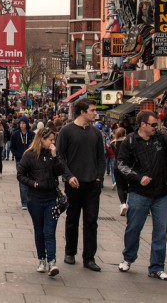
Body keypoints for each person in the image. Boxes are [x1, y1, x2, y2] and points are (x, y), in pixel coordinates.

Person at [116, 110, 167, 281]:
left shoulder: (163, 139)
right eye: (153, 124)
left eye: (157, 124)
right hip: (139, 192)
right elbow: (122, 165)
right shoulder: (130, 141)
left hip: (162, 193)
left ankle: (157, 267)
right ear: (143, 125)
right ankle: (128, 258)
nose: (156, 127)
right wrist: (138, 178)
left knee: (161, 232)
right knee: (133, 228)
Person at [56, 98, 104, 271]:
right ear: (82, 112)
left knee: (91, 221)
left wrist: (99, 177)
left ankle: (89, 257)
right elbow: (60, 157)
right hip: (74, 183)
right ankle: (70, 252)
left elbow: (101, 158)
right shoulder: (66, 131)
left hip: (92, 184)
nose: (95, 113)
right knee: (72, 219)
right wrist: (68, 176)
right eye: (92, 110)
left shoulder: (96, 133)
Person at [17, 128, 66, 276]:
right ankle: (41, 260)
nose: (53, 142)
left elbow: (60, 171)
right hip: (35, 199)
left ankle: (52, 262)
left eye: (53, 140)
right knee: (39, 230)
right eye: (50, 140)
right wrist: (33, 184)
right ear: (42, 139)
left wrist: (55, 156)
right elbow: (20, 175)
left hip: (51, 198)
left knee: (49, 231)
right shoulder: (29, 155)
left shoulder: (53, 155)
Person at [11, 116, 35, 209]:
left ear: (27, 124)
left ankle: (31, 200)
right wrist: (17, 155)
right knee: (22, 181)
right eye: (20, 123)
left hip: (30, 161)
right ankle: (24, 202)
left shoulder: (32, 134)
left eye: (24, 123)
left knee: (30, 179)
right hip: (20, 160)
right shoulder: (15, 134)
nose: (22, 125)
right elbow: (12, 147)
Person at [110, 127, 129, 216]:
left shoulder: (114, 143)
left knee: (120, 186)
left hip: (117, 166)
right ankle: (126, 202)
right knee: (126, 185)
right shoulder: (128, 142)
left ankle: (123, 203)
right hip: (126, 166)